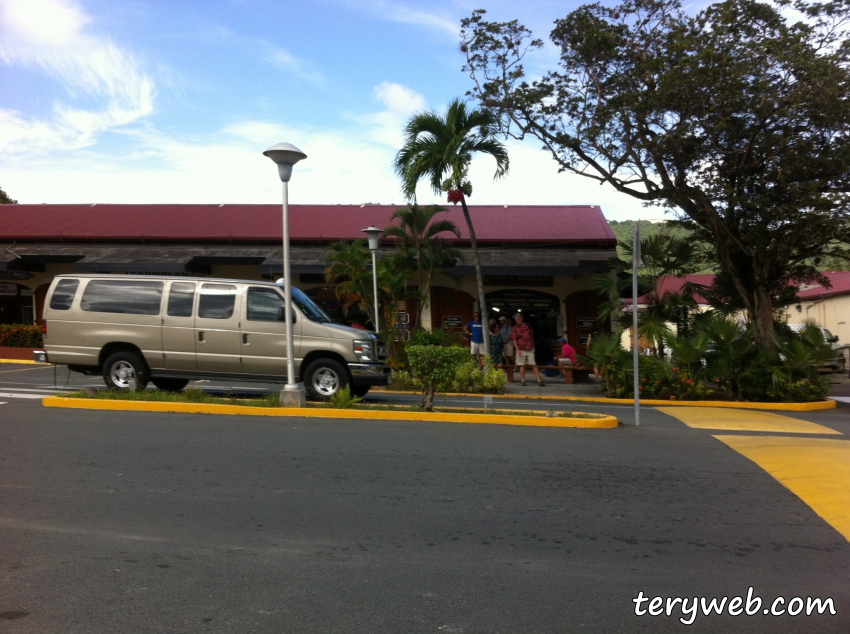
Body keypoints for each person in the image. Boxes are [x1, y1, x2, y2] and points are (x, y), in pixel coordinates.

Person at [510, 312, 544, 387]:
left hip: (529, 348)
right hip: (521, 348)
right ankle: (523, 380)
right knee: (522, 365)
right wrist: (517, 349)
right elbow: (514, 340)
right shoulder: (515, 328)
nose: (517, 321)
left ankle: (539, 379)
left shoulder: (528, 326)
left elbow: (532, 336)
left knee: (533, 364)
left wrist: (534, 346)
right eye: (516, 320)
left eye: (518, 319)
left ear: (522, 319)